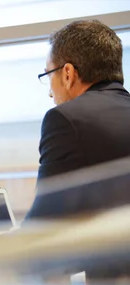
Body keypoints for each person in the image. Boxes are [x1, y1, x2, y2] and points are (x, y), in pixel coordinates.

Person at [26, 19, 130, 219]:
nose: (50, 92)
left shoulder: (65, 119)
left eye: (48, 75)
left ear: (68, 74)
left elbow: (44, 220)